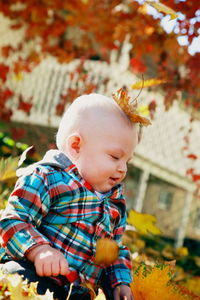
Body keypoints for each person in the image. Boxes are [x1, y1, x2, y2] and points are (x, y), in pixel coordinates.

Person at [0, 93, 138, 300]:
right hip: (36, 275)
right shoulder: (48, 178)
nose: (122, 169)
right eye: (115, 157)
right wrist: (39, 251)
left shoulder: (115, 204)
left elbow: (113, 253)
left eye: (127, 161)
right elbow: (13, 220)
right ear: (76, 146)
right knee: (14, 274)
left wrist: (120, 283)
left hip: (79, 292)